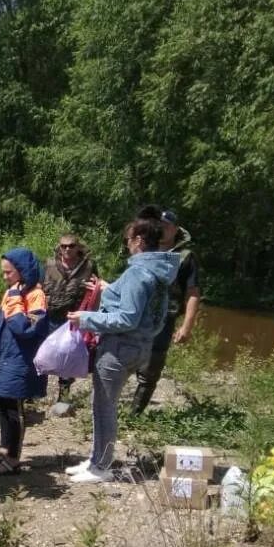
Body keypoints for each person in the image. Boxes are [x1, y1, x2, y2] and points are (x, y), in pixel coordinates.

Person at [66, 218, 180, 483]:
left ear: (139, 240)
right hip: (139, 348)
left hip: (119, 348)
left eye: (128, 240)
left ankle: (100, 467)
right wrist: (110, 290)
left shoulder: (138, 273)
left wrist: (86, 318)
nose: (126, 245)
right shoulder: (160, 273)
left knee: (103, 406)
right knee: (103, 404)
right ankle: (97, 459)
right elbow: (157, 316)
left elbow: (127, 317)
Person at [0, 248, 50, 475]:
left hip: (20, 361)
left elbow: (25, 328)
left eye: (9, 272)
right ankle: (4, 449)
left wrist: (16, 300)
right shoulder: (12, 292)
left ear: (22, 271)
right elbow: (0, 326)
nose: (5, 277)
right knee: (3, 406)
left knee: (14, 410)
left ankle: (12, 458)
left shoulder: (35, 296)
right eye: (4, 273)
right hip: (5, 359)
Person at [131, 206, 203, 413]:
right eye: (158, 225)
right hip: (135, 314)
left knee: (150, 368)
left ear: (175, 230)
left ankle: (133, 415)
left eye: (166, 226)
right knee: (124, 357)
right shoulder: (142, 249)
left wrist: (187, 327)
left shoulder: (185, 257)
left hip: (163, 319)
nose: (161, 229)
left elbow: (192, 293)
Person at [42, 233, 98, 401]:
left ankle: (63, 396)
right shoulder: (49, 264)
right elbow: (39, 287)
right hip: (52, 316)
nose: (67, 249)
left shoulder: (88, 266)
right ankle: (36, 392)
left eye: (71, 246)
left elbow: (96, 287)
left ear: (78, 246)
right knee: (46, 352)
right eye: (63, 246)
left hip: (75, 316)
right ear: (59, 247)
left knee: (68, 354)